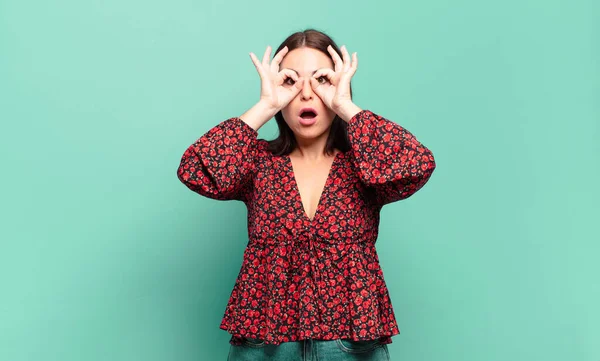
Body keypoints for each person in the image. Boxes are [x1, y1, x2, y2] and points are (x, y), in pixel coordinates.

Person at [176, 29, 436, 361]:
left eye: (321, 80)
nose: (306, 94)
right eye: (291, 81)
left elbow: (417, 162)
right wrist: (265, 105)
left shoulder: (364, 166)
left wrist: (345, 105)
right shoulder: (256, 163)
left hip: (351, 343)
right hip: (265, 344)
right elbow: (194, 169)